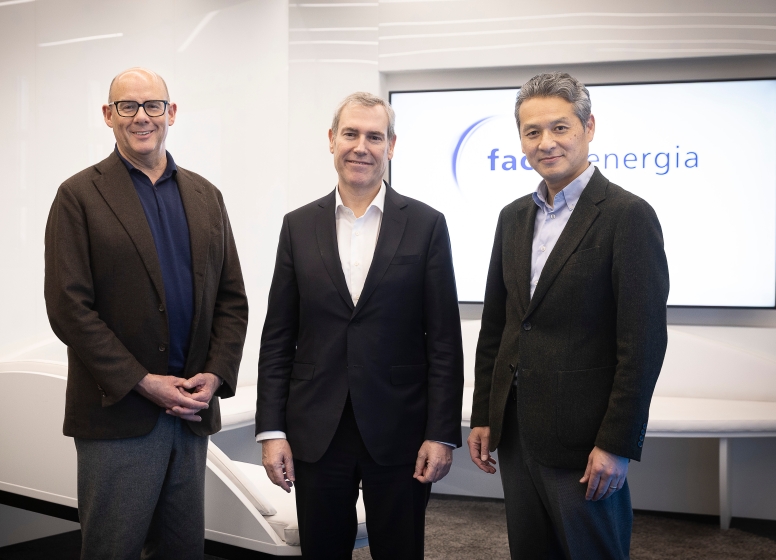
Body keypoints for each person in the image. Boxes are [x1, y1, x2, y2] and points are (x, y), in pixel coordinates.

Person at [44, 67, 248, 560]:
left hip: (190, 411)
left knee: (182, 550)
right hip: (119, 415)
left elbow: (231, 298)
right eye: (127, 106)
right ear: (108, 115)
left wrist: (217, 374)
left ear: (171, 112)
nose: (142, 117)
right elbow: (69, 308)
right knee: (112, 549)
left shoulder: (206, 196)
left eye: (153, 105)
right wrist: (142, 381)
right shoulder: (79, 196)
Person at [467, 72, 669, 559]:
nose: (546, 142)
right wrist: (484, 413)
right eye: (532, 131)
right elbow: (499, 326)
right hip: (517, 432)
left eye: (560, 127)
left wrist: (617, 442)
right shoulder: (512, 217)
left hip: (585, 442)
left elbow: (642, 342)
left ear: (588, 127)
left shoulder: (627, 215)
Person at [255, 92, 464, 559]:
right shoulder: (297, 226)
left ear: (392, 145)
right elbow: (278, 337)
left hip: (401, 428)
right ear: (332, 139)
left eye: (374, 136)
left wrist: (441, 433)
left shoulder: (426, 224)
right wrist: (271, 431)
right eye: (350, 134)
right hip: (316, 428)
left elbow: (444, 341)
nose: (361, 147)